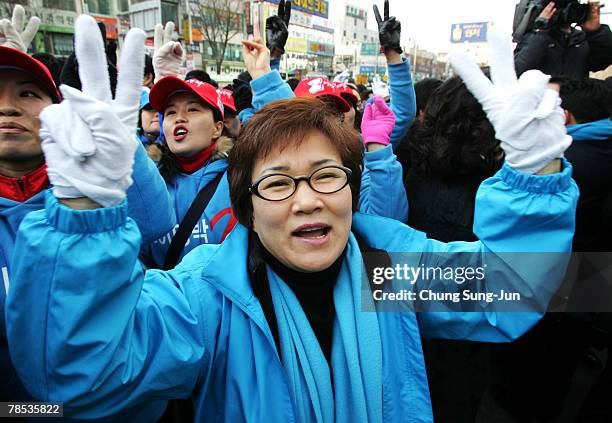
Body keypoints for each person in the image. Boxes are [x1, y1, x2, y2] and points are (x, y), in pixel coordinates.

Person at [6, 22, 578, 422]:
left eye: (326, 176)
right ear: (247, 209)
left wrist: (537, 170)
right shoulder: (210, 296)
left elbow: (512, 289)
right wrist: (84, 211)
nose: (306, 200)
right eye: (277, 183)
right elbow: (82, 380)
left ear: (353, 190)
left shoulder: (390, 270)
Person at [0, 16, 173, 417]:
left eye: (27, 93)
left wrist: (111, 155)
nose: (8, 106)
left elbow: (156, 220)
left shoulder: (94, 193)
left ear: (62, 110)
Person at [514, 0, 612, 79]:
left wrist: (596, 32)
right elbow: (519, 70)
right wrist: (541, 31)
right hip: (545, 101)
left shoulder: (581, 38)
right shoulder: (535, 37)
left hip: (575, 99)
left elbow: (602, 62)